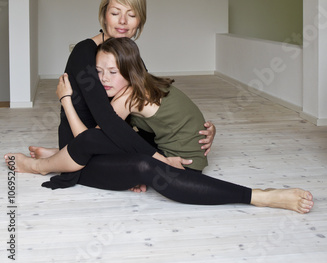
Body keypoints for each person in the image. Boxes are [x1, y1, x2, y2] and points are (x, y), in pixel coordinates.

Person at [5, 38, 314, 214]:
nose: (103, 79)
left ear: (130, 71)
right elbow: (121, 136)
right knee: (116, 142)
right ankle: (58, 158)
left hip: (183, 164)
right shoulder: (140, 83)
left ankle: (42, 165)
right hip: (173, 148)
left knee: (98, 148)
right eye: (99, 71)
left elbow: (90, 139)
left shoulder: (128, 97)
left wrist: (67, 100)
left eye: (112, 71)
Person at [27, 0, 216, 187]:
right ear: (104, 15)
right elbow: (106, 122)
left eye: (132, 15)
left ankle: (56, 155)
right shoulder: (85, 52)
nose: (123, 21)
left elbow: (144, 108)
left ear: (140, 21)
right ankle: (51, 160)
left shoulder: (126, 55)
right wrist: (160, 161)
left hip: (113, 137)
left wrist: (193, 130)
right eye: (116, 13)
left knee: (153, 158)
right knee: (142, 169)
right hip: (83, 141)